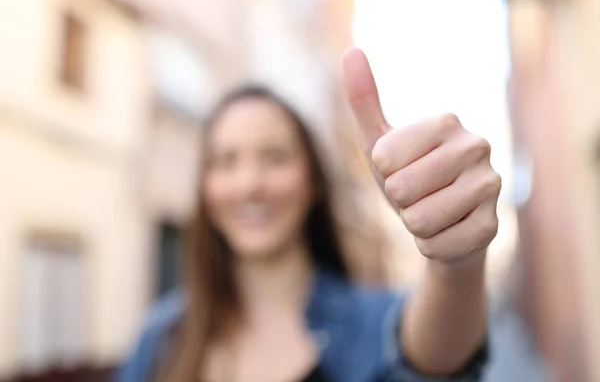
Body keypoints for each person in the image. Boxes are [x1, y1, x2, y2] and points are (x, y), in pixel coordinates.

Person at [117, 48, 500, 382]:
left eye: (275, 157)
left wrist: (457, 263)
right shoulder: (160, 339)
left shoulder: (370, 322)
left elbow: (436, 360)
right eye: (225, 161)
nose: (249, 183)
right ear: (205, 186)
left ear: (312, 182)